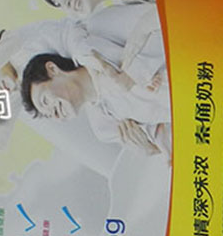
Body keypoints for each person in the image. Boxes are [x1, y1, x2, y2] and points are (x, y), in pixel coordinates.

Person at [19, 52, 171, 161]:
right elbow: (165, 140)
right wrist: (150, 149)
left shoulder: (99, 50)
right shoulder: (103, 128)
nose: (56, 115)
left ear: (53, 69)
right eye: (49, 115)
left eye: (45, 101)